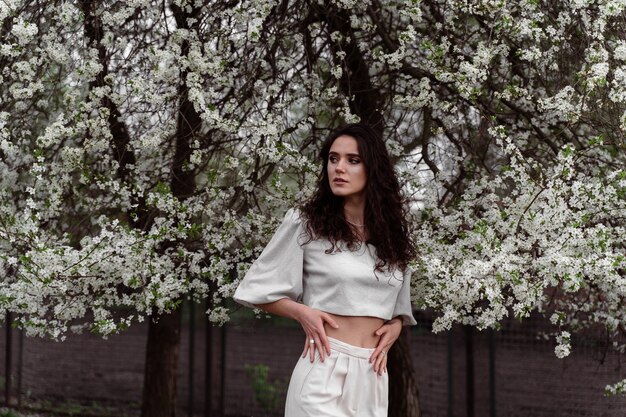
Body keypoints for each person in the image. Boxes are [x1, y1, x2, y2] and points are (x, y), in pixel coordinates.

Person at [233, 123, 417, 417]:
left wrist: (395, 327)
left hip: (372, 375)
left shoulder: (393, 236)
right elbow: (255, 289)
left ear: (374, 169)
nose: (339, 168)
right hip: (323, 368)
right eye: (333, 159)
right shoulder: (306, 224)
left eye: (352, 160)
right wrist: (302, 312)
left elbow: (398, 308)